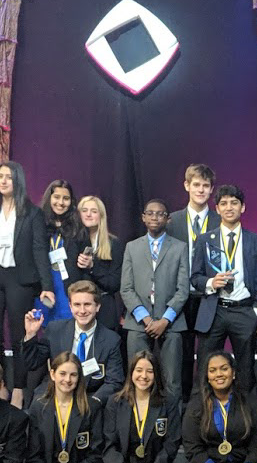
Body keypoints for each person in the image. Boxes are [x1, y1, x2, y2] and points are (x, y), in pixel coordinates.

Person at [0, 160, 53, 406]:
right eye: (0, 176)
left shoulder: (32, 213)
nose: (3, 181)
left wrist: (47, 286)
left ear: (18, 180)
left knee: (19, 333)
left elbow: (40, 250)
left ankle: (19, 387)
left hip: (19, 278)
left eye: (9, 177)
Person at [190, 184, 257, 390]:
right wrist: (210, 283)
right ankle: (206, 409)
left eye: (234, 203)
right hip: (214, 310)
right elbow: (195, 277)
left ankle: (243, 409)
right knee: (206, 367)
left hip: (244, 310)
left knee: (246, 371)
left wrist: (256, 312)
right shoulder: (205, 240)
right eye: (223, 203)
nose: (229, 207)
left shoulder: (256, 240)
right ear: (217, 209)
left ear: (243, 207)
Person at [120, 198, 191, 402]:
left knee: (172, 381)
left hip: (171, 322)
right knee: (137, 377)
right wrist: (146, 319)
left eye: (160, 214)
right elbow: (126, 288)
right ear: (143, 217)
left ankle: (173, 421)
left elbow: (182, 290)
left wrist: (165, 320)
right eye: (150, 213)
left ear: (168, 219)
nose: (154, 217)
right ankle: (138, 418)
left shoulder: (179, 248)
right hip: (138, 322)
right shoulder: (132, 247)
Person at [21, 280, 124, 404]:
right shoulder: (55, 329)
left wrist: (95, 401)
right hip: (57, 392)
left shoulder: (111, 339)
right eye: (77, 305)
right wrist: (30, 334)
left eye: (87, 304)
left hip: (90, 397)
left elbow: (114, 381)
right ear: (70, 306)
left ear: (97, 306)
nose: (82, 310)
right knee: (37, 404)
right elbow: (32, 363)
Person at [166, 163, 219, 404]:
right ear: (186, 186)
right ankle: (185, 405)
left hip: (209, 295)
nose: (200, 190)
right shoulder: (172, 221)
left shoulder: (220, 221)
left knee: (208, 353)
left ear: (211, 189)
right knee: (182, 354)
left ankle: (205, 402)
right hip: (180, 296)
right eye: (196, 185)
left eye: (205, 186)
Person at [74, 195, 126, 333]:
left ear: (101, 216)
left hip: (104, 308)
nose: (88, 214)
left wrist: (93, 267)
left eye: (94, 211)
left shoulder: (114, 244)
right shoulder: (72, 241)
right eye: (84, 210)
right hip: (77, 309)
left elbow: (115, 283)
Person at [37, 179, 81, 325]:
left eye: (66, 198)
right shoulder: (38, 222)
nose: (61, 202)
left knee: (67, 326)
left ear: (71, 201)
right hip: (44, 283)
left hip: (67, 284)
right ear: (49, 198)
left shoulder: (77, 225)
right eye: (56, 197)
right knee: (44, 325)